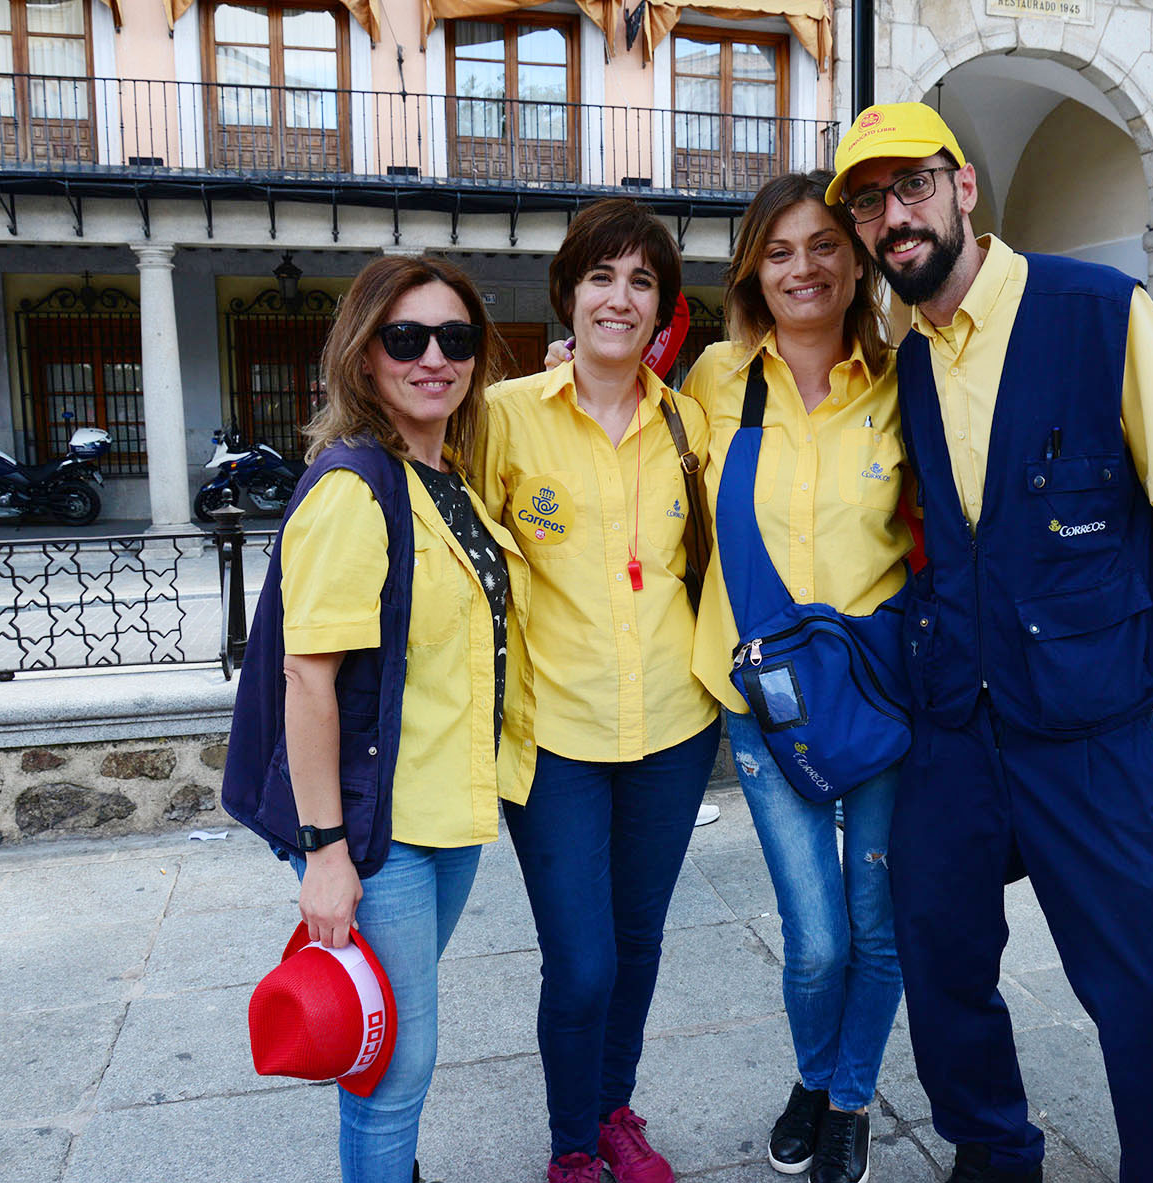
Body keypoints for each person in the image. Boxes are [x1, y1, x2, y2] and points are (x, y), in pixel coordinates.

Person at [828, 103, 1153, 1182]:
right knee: (936, 952)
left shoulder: (1098, 310)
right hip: (953, 724)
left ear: (963, 186)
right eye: (866, 202)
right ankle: (994, 1152)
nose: (892, 216)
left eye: (909, 185)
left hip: (1091, 724)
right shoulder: (903, 358)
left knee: (1146, 982)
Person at [222, 254, 535, 1182]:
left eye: (456, 338)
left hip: (448, 815)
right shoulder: (356, 487)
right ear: (366, 359)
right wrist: (324, 853)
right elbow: (307, 680)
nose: (434, 357)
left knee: (389, 1032)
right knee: (394, 1064)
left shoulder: (449, 483)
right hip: (376, 831)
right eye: (407, 338)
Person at [475, 198, 721, 1183]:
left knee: (637, 943)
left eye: (640, 281)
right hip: (554, 738)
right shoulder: (500, 418)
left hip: (671, 728)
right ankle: (572, 1144)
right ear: (567, 295)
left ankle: (612, 1107)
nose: (618, 298)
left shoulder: (688, 423)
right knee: (579, 963)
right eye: (599, 276)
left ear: (661, 307)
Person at [680, 170, 909, 1183]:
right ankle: (812, 1073)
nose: (801, 267)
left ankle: (847, 1094)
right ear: (749, 269)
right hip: (763, 704)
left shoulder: (904, 378)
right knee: (814, 939)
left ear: (854, 258)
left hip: (883, 701)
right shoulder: (711, 383)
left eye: (822, 244)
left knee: (877, 921)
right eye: (776, 250)